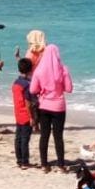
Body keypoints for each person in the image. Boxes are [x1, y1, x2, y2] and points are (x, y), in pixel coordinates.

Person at [31, 43, 73, 173]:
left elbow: (33, 89)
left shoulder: (39, 70)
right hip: (59, 106)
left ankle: (44, 164)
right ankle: (61, 164)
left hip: (44, 106)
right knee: (58, 136)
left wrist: (43, 90)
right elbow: (69, 89)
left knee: (44, 135)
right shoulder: (63, 69)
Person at [12, 58, 35, 169]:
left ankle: (19, 160)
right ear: (31, 70)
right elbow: (28, 103)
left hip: (18, 113)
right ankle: (24, 161)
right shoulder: (27, 85)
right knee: (25, 139)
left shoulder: (16, 83)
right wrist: (32, 117)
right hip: (25, 114)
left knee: (18, 138)